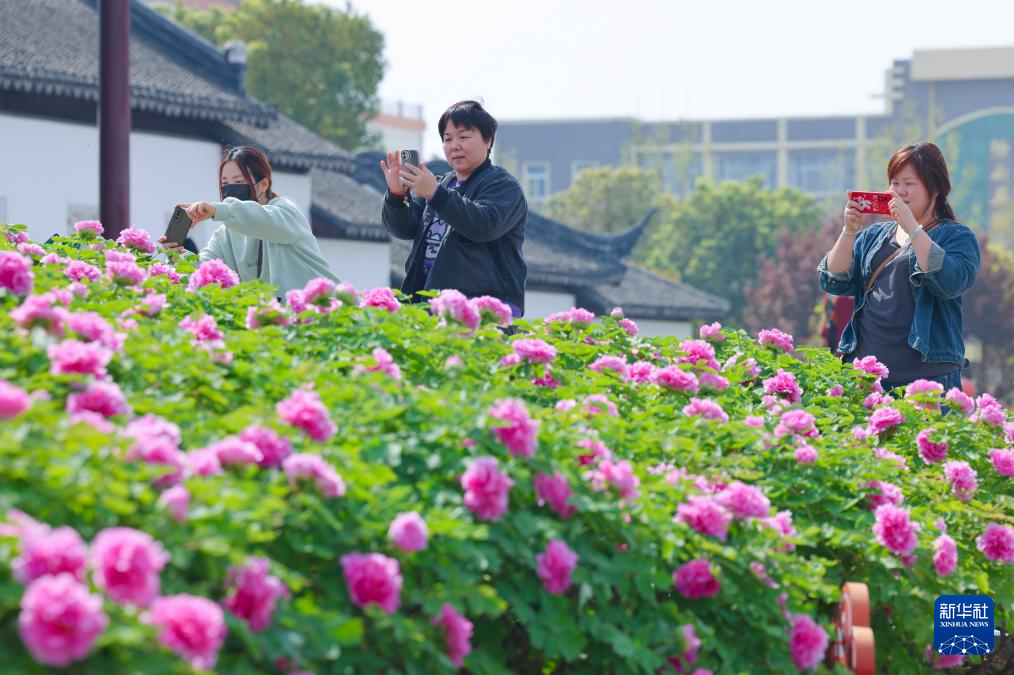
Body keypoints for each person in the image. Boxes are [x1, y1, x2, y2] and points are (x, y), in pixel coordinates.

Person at [818, 142, 980, 391]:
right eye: (895, 183)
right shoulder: (874, 235)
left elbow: (951, 283)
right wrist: (849, 231)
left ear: (936, 188)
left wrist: (912, 228)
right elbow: (833, 280)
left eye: (909, 184)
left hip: (928, 380)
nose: (900, 191)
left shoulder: (955, 236)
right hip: (867, 377)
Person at [380, 100, 528, 316]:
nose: (454, 146)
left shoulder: (504, 186)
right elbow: (404, 229)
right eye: (447, 139)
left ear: (488, 141)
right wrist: (397, 195)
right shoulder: (441, 184)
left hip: (484, 313)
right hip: (429, 308)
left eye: (464, 137)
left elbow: (484, 225)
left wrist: (435, 193)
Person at [160, 146, 336, 293]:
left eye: (238, 182)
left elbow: (263, 220)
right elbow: (204, 271)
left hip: (326, 310)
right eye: (225, 183)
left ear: (264, 185)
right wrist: (177, 256)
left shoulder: (286, 210)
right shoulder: (224, 234)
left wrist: (218, 210)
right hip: (276, 318)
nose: (230, 189)